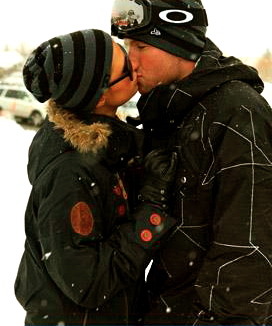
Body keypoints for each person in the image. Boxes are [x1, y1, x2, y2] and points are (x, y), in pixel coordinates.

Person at [111, 0, 272, 325]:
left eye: (141, 45)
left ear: (179, 44)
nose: (132, 60)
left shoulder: (237, 115)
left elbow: (249, 252)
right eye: (128, 45)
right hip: (164, 305)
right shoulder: (171, 109)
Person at [14, 28, 178, 326]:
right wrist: (151, 211)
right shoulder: (70, 173)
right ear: (101, 95)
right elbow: (87, 283)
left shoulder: (103, 147)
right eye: (126, 67)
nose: (135, 65)